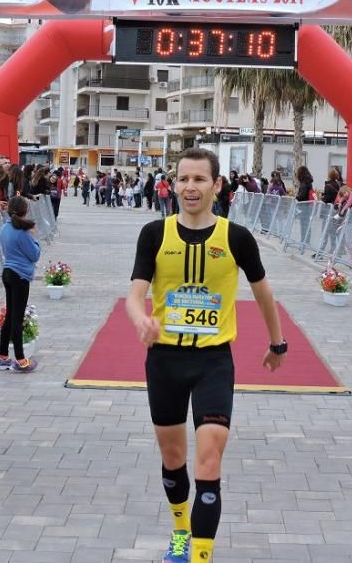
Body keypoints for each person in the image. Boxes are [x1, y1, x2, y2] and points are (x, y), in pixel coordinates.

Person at [126, 148, 285, 563]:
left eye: (199, 179)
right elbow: (134, 294)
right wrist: (141, 319)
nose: (190, 187)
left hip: (213, 361)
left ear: (216, 185)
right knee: (173, 457)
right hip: (164, 361)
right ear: (174, 184)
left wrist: (277, 342)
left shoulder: (236, 237)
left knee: (209, 458)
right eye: (183, 179)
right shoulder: (154, 234)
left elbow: (263, 292)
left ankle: (201, 555)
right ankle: (180, 530)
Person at [0, 197, 40, 373]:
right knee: (17, 317)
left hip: (7, 271)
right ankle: (20, 359)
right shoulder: (23, 233)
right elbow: (34, 255)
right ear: (24, 212)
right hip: (20, 275)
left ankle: (3, 356)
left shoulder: (5, 228)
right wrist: (34, 238)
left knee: (10, 315)